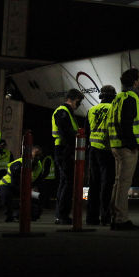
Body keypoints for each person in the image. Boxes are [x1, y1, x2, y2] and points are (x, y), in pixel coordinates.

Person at [108, 68, 139, 231]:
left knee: (118, 182)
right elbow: (127, 123)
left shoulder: (119, 97)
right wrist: (132, 144)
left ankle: (115, 217)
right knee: (124, 184)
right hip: (126, 148)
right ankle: (121, 219)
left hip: (115, 145)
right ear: (135, 81)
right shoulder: (131, 97)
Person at [85, 85, 116, 226]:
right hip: (107, 150)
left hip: (93, 150)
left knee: (94, 184)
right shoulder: (113, 109)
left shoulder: (91, 110)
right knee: (107, 184)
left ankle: (91, 217)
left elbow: (86, 131)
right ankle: (105, 216)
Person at [51, 88, 84, 225]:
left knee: (65, 182)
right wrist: (71, 149)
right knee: (67, 182)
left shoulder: (66, 112)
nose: (79, 104)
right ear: (74, 99)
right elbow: (66, 133)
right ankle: (62, 214)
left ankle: (61, 214)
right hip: (64, 150)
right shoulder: (62, 112)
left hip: (65, 149)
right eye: (79, 101)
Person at [0, 145, 47, 222]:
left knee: (38, 198)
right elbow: (15, 180)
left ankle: (28, 215)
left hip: (23, 187)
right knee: (7, 197)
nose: (38, 157)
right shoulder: (19, 163)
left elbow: (37, 180)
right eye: (36, 155)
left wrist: (34, 188)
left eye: (40, 155)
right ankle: (10, 215)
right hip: (8, 185)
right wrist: (25, 190)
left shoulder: (39, 166)